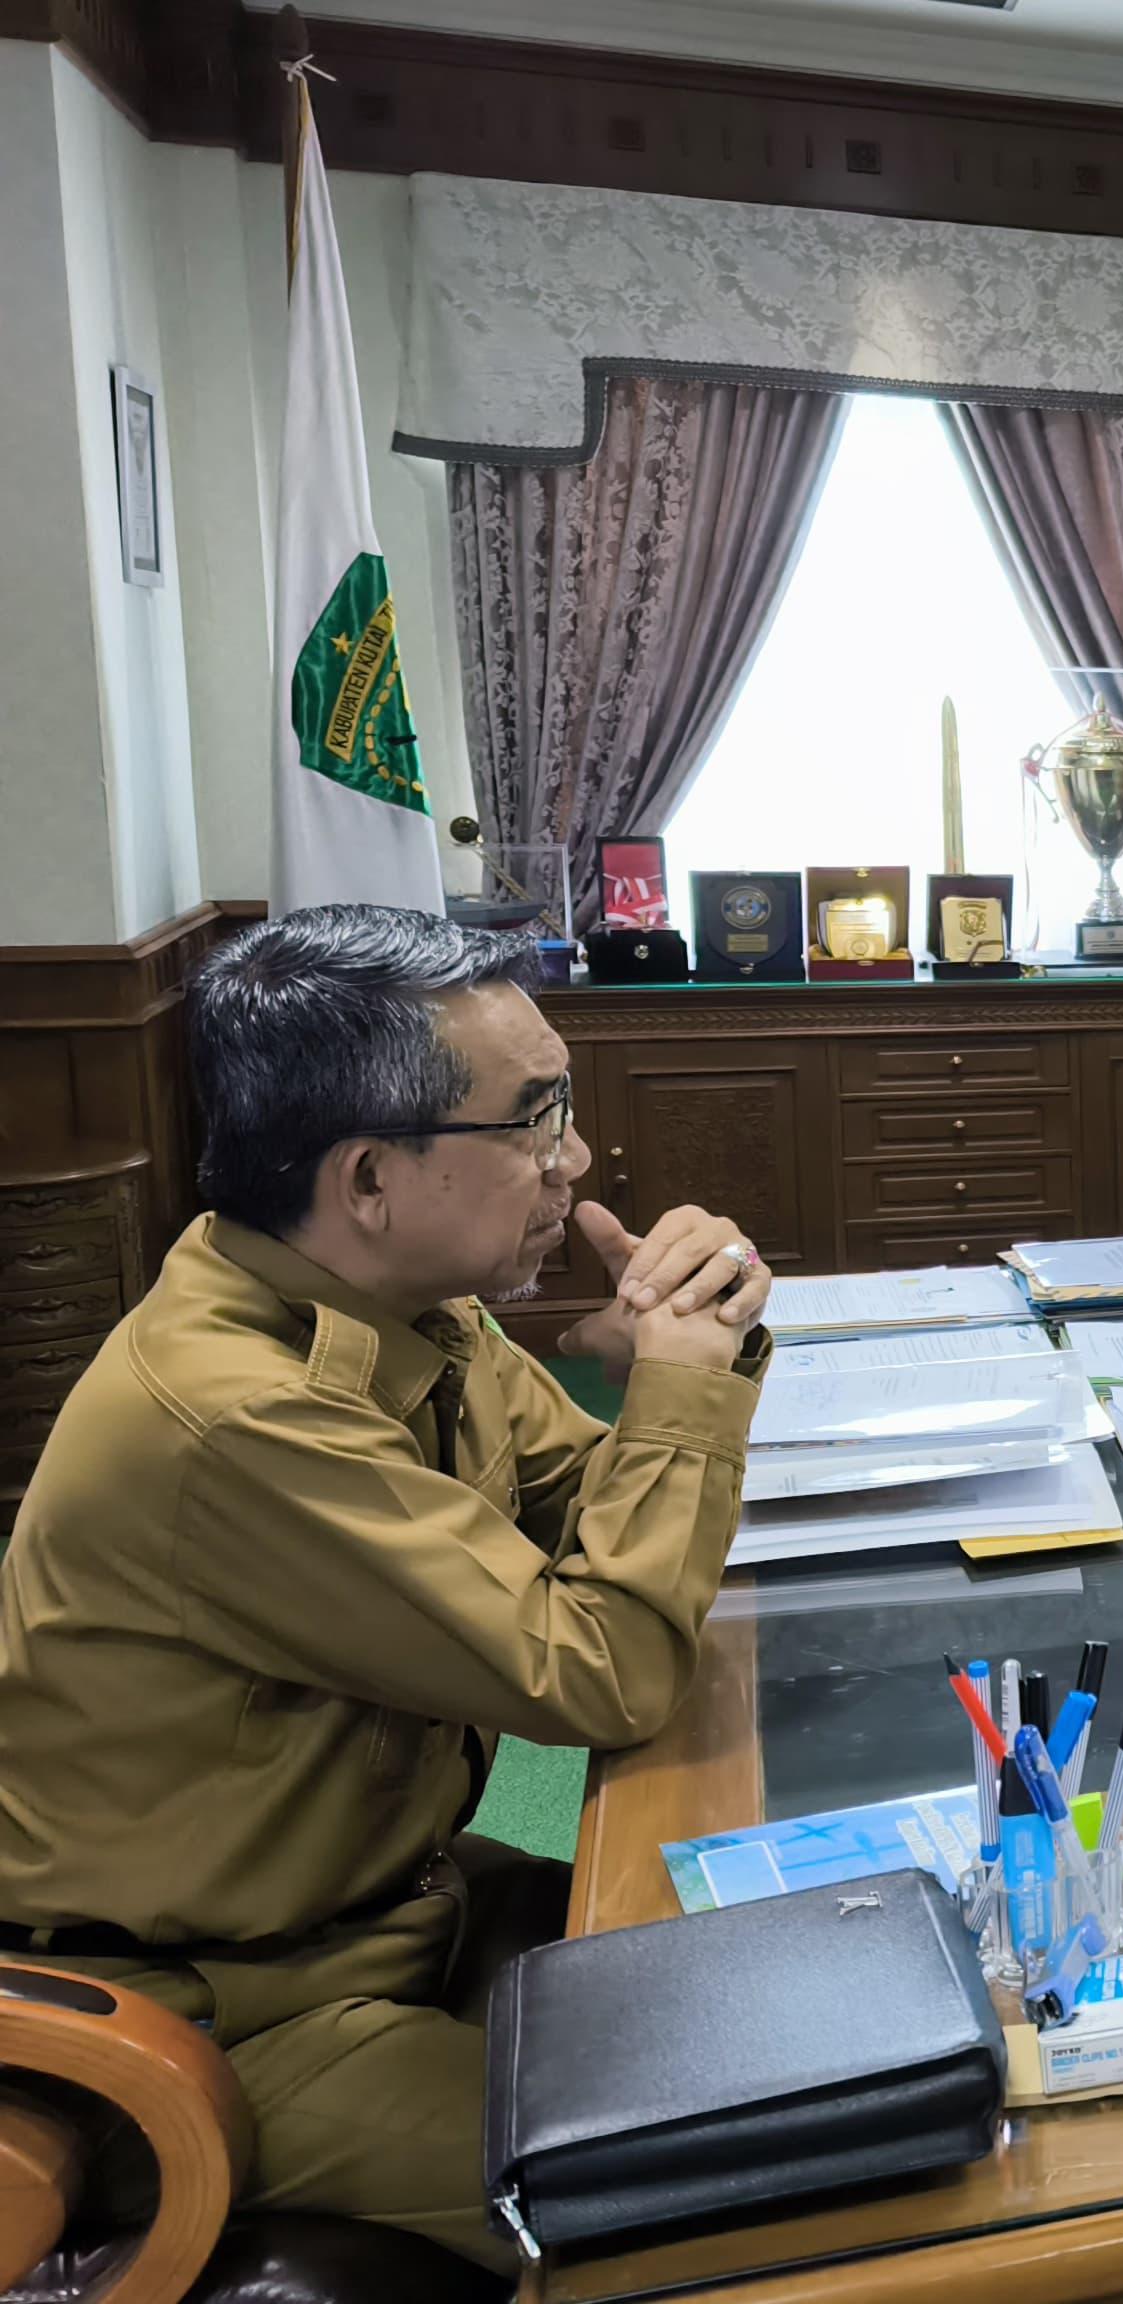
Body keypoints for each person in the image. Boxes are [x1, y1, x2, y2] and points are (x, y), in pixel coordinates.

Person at [0, 905, 776, 2272]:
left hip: (388, 1906)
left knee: (775, 1974)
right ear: (369, 1179)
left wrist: (672, 1373)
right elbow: (598, 1671)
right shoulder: (237, 1416)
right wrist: (678, 1389)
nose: (576, 1161)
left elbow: (586, 1509)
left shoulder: (403, 1310)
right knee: (738, 2172)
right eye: (534, 1122)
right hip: (215, 2015)